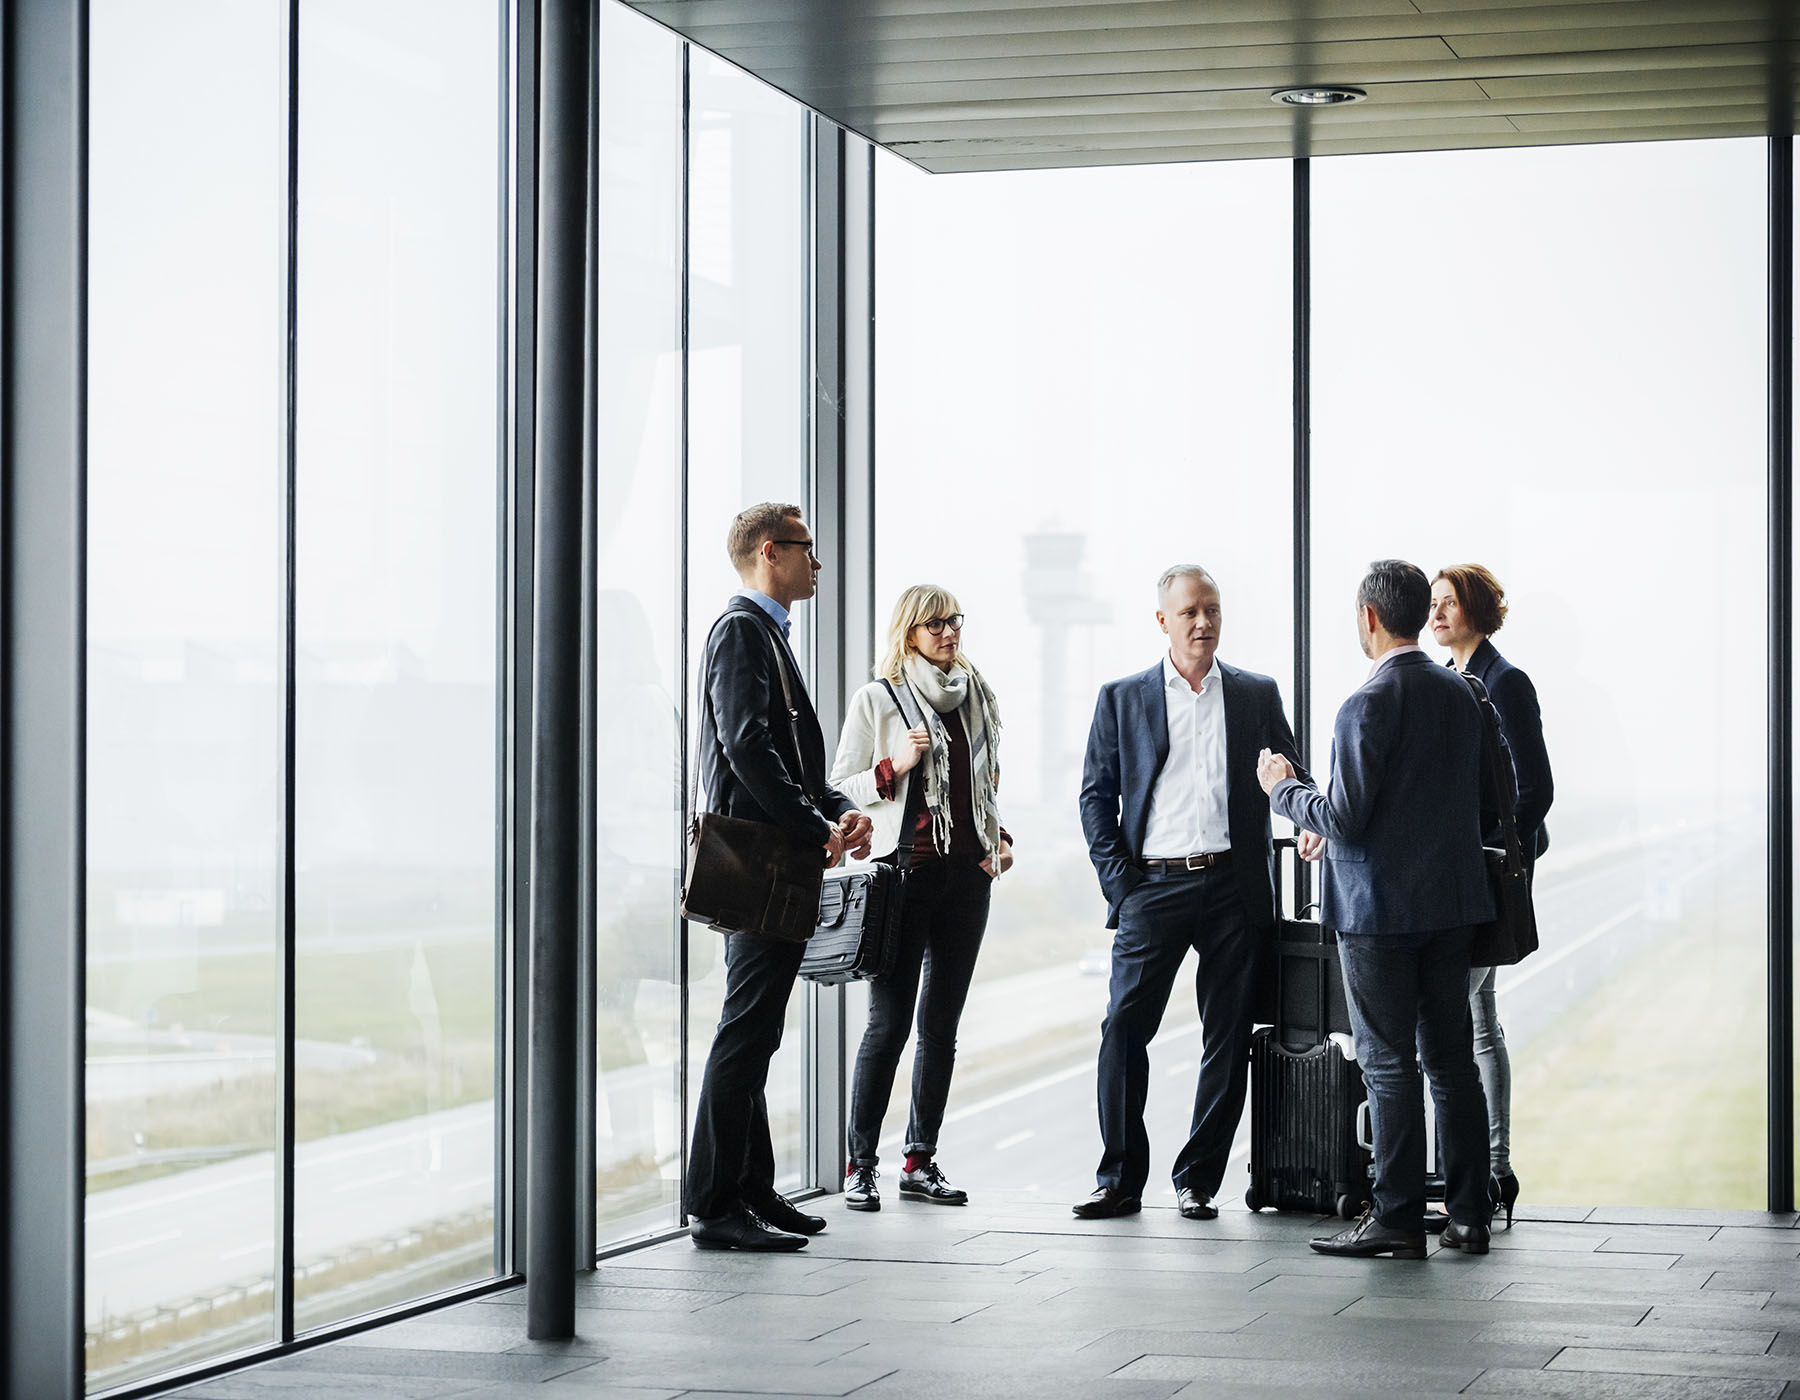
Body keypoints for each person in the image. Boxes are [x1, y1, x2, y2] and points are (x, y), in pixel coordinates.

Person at [1258, 559, 1496, 1259]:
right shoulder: (1462, 694)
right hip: (1450, 907)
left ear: (1368, 617)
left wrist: (1285, 789)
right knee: (1451, 1063)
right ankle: (1468, 1217)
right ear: (1420, 613)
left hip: (1379, 915)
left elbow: (1347, 816)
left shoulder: (1366, 703)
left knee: (1388, 1064)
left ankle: (1394, 1216)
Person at [1074, 565, 1304, 1222]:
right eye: (1189, 613)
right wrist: (1122, 884)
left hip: (1235, 887)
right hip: (1154, 887)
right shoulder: (1122, 698)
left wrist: (1298, 801)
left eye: (1212, 610)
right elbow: (1096, 796)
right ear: (1163, 622)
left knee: (1227, 1037)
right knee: (1123, 1029)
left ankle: (1197, 1179)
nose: (1203, 622)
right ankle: (1118, 1179)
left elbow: (1291, 770)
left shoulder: (1256, 694)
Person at [685, 503, 873, 1252]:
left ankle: (754, 1190)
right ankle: (715, 1204)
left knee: (756, 1032)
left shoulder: (766, 635)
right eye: (806, 549)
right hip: (759, 865)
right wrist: (814, 827)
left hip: (776, 860)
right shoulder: (741, 632)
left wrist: (841, 809)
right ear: (772, 552)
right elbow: (746, 748)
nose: (816, 562)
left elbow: (792, 764)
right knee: (746, 1033)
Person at [830, 585, 1014, 1211]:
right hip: (905, 876)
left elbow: (978, 789)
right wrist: (893, 766)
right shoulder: (878, 698)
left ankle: (919, 1161)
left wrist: (998, 839)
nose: (948, 632)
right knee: (889, 1024)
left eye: (955, 621)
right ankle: (860, 1166)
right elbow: (839, 786)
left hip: (967, 878)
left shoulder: (975, 698)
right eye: (934, 623)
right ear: (908, 632)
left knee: (942, 1028)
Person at [1429, 563, 1552, 1227]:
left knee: (1454, 1022)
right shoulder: (1451, 679)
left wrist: (1496, 854)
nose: (1437, 614)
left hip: (1484, 878)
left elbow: (1535, 788)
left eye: (1449, 603)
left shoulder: (1505, 681)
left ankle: (1479, 1172)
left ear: (1477, 609)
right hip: (1464, 875)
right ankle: (1495, 1167)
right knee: (1479, 1022)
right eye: (1433, 604)